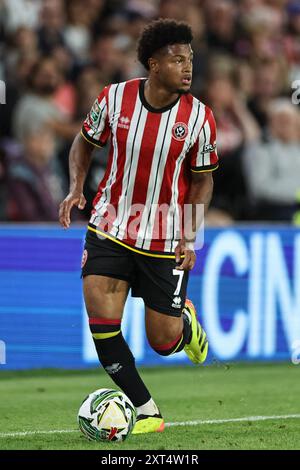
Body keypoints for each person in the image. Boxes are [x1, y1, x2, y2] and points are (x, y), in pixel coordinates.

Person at [59, 19, 218, 434]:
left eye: (190, 59)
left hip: (164, 237)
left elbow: (203, 180)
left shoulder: (199, 118)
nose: (187, 67)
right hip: (109, 225)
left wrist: (189, 234)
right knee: (102, 319)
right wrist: (76, 188)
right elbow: (83, 142)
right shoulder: (113, 99)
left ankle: (184, 323)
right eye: (177, 59)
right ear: (154, 63)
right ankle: (148, 410)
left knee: (163, 343)